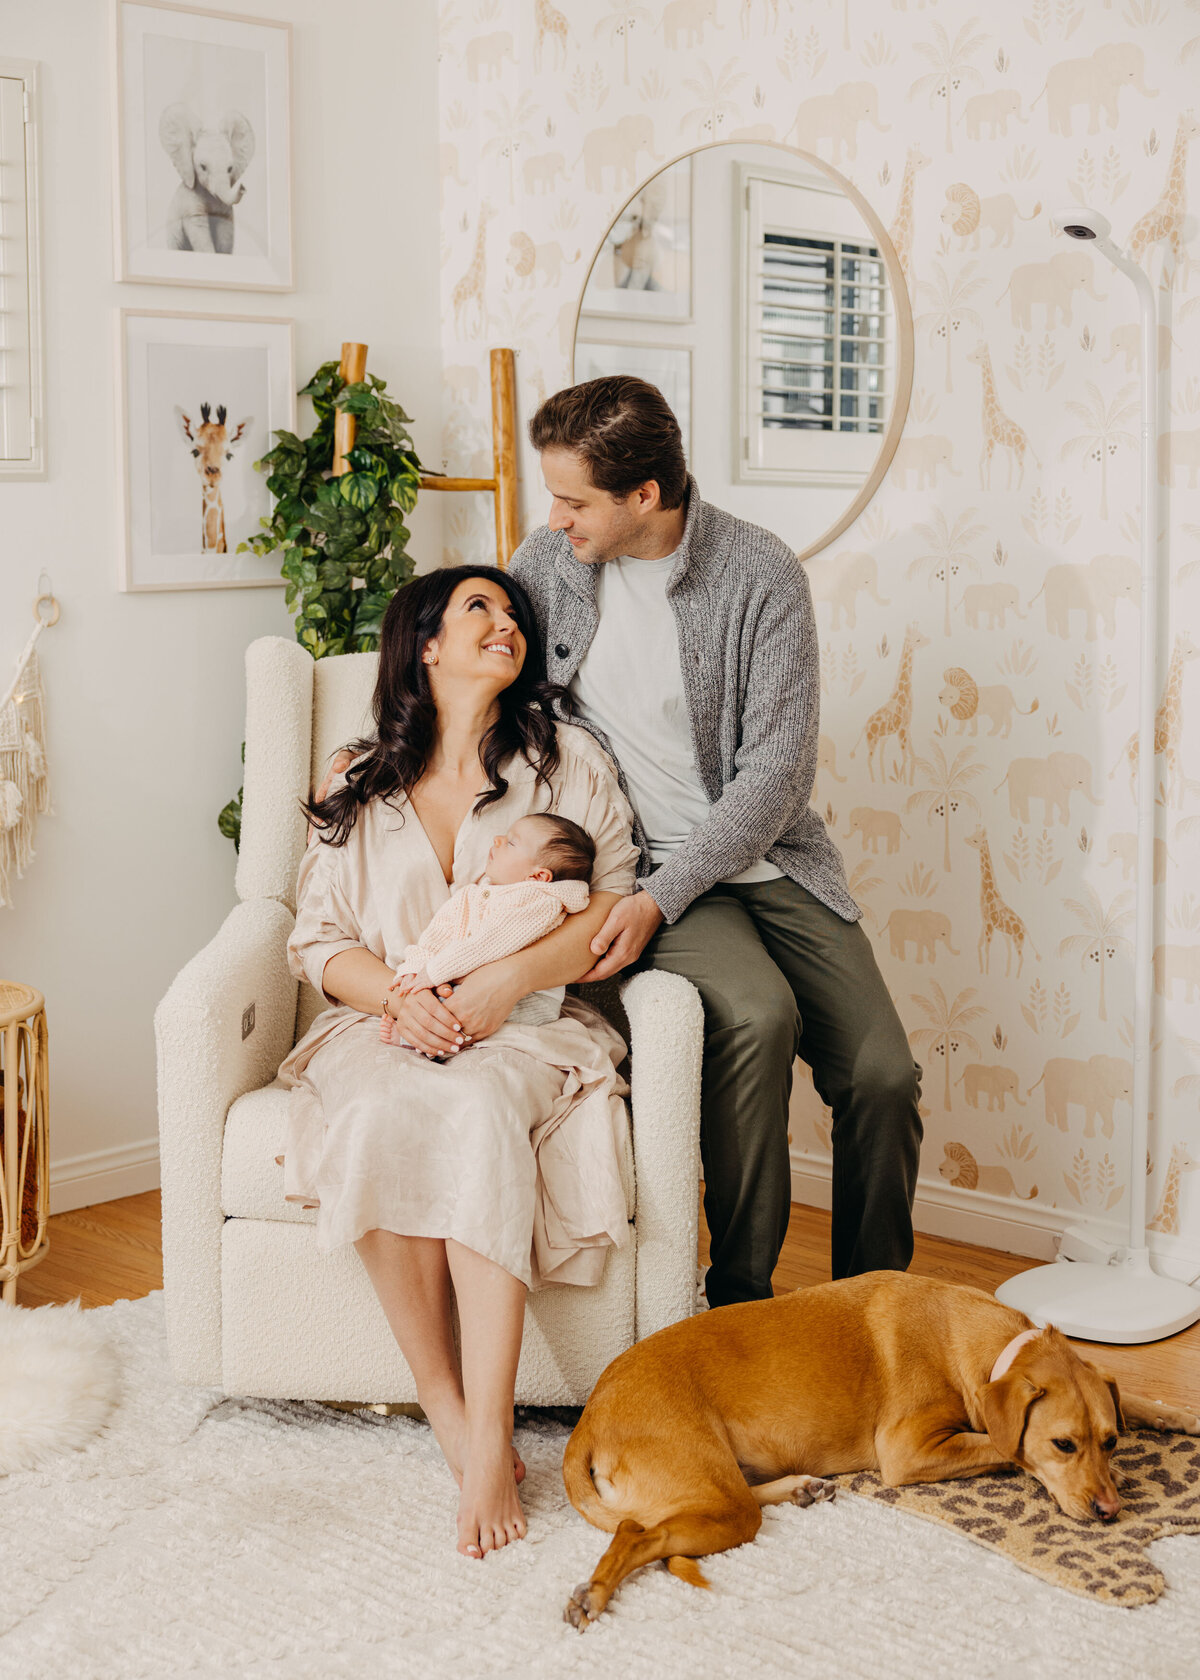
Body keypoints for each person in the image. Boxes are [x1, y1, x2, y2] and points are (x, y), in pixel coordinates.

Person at [508, 375, 923, 1310]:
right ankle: (740, 1302)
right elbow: (486, 689)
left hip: (768, 859)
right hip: (645, 866)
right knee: (759, 1018)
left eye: (574, 499)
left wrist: (668, 894)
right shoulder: (546, 567)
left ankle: (873, 1312)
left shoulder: (759, 571)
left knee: (885, 1075)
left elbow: (777, 773)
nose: (556, 517)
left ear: (644, 495)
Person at [276, 566, 639, 1560]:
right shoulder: (362, 781)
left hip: (523, 1027)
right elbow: (315, 939)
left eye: (514, 613)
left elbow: (607, 911)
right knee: (377, 1106)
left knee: (477, 1109)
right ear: (424, 644)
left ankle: (492, 1425)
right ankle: (449, 1407)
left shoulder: (563, 763)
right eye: (480, 607)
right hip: (381, 1021)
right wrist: (397, 996)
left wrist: (496, 986)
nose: (507, 623)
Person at [379, 813, 596, 1043]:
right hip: (460, 976)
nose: (498, 839)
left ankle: (417, 1041)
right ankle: (418, 1032)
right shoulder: (474, 895)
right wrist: (414, 969)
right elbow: (439, 933)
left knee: (460, 1006)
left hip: (528, 997)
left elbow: (487, 944)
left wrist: (433, 973)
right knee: (444, 997)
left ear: (538, 876)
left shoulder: (540, 902)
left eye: (511, 842)